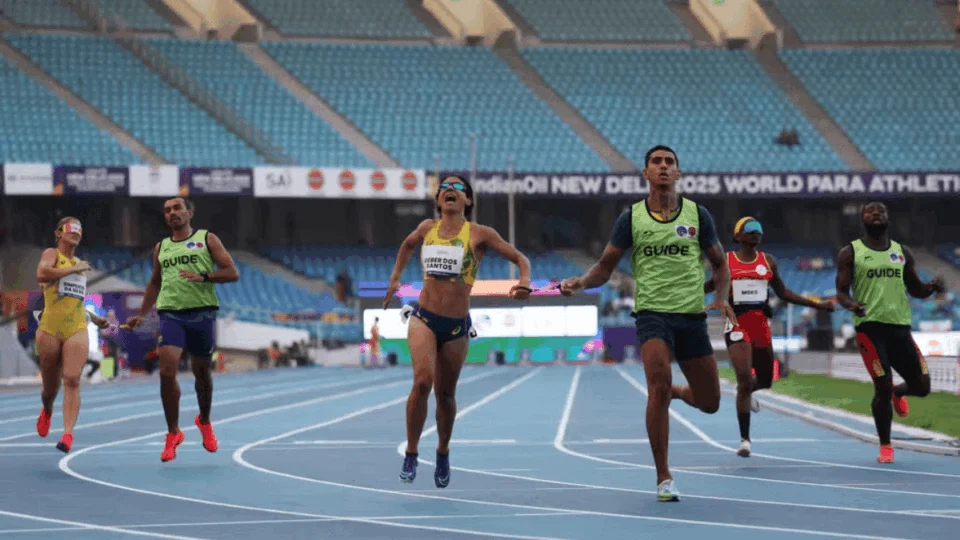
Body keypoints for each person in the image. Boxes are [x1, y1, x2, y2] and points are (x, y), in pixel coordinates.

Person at [560, 145, 735, 502]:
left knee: (710, 402)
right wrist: (580, 282)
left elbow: (720, 263)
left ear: (679, 174)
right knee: (657, 384)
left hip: (691, 317)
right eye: (657, 162)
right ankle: (664, 476)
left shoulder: (698, 215)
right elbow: (605, 268)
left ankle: (677, 392)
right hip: (653, 315)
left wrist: (722, 297)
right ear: (646, 174)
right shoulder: (631, 219)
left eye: (670, 162)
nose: (664, 167)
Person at [384, 175, 532, 488]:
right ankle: (411, 452)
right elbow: (408, 244)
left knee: (446, 395)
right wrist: (395, 277)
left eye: (459, 188)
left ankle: (442, 451)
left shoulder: (480, 234)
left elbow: (520, 258)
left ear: (468, 201)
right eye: (445, 189)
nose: (451, 191)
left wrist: (524, 280)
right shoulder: (427, 228)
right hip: (423, 318)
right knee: (423, 381)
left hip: (456, 326)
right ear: (438, 201)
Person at [705, 216, 835, 457]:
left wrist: (818, 305)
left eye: (759, 229)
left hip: (760, 323)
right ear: (738, 236)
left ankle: (750, 392)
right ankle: (745, 440)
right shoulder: (727, 261)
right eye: (749, 229)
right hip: (735, 322)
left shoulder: (769, 262)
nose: (755, 232)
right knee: (744, 378)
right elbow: (710, 285)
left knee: (765, 380)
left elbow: (784, 292)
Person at [124, 197, 239, 462]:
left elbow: (232, 272)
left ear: (189, 212)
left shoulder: (207, 239)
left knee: (202, 374)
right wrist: (141, 314)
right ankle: (173, 432)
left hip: (202, 312)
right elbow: (154, 283)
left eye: (177, 208)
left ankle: (205, 421)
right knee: (166, 371)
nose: (173, 213)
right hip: (171, 314)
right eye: (167, 210)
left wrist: (204, 277)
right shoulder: (161, 247)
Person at [835, 201, 944, 464]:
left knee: (923, 386)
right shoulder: (851, 252)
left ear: (887, 218)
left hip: (900, 328)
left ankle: (899, 392)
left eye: (880, 212)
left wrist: (931, 288)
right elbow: (841, 292)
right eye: (870, 212)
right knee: (881, 385)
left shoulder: (901, 252)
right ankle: (885, 444)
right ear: (862, 220)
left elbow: (915, 288)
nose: (876, 214)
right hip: (869, 329)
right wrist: (851, 304)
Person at [35, 217, 109, 453]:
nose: (76, 232)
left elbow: (74, 300)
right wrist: (73, 269)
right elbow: (42, 274)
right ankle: (47, 409)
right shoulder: (52, 254)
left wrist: (96, 319)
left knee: (72, 378)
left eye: (79, 228)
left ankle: (67, 434)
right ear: (59, 233)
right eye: (71, 228)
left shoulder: (79, 264)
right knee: (49, 388)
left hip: (76, 327)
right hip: (49, 327)